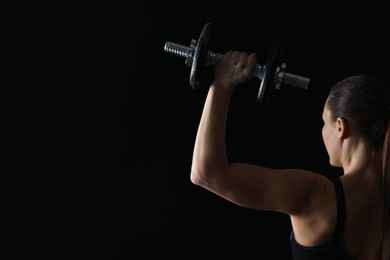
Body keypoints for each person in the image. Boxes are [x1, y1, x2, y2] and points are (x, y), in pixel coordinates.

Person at [190, 50, 390, 259]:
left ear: (340, 127)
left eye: (324, 122)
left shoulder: (314, 195)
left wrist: (222, 85)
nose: (323, 131)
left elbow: (206, 173)